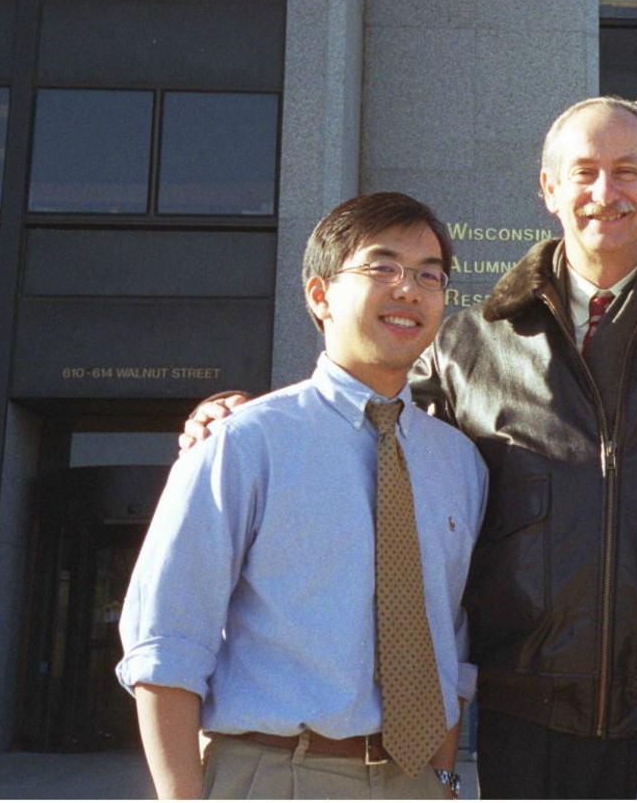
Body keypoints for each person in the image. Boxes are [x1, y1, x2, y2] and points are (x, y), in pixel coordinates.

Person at [186, 97, 637, 799]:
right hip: (524, 718)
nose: (604, 194)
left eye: (626, 172)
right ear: (548, 189)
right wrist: (240, 413)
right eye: (582, 173)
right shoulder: (464, 346)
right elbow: (370, 424)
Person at [120, 192, 487, 799]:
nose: (409, 289)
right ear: (320, 295)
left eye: (430, 274)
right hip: (277, 774)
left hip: (415, 783)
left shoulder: (459, 464)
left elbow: (450, 642)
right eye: (382, 267)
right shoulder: (244, 444)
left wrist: (443, 779)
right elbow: (166, 646)